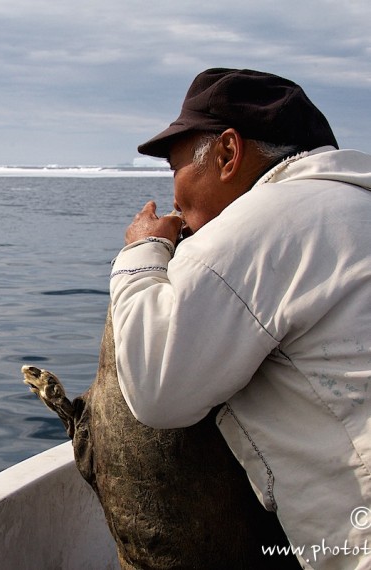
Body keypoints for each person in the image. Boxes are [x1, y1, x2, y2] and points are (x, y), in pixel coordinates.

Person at [110, 67, 371, 569]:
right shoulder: (353, 203)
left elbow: (157, 389)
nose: (174, 194)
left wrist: (143, 251)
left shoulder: (263, 220)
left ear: (228, 153)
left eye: (175, 166)